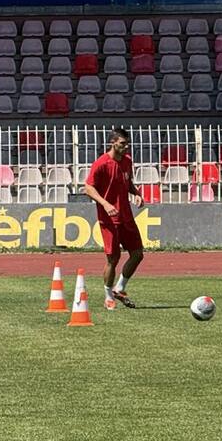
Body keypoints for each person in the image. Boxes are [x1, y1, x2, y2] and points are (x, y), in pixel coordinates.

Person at [81, 128, 144, 310]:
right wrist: (106, 204)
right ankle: (108, 296)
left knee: (138, 253)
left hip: (126, 216)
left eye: (127, 144)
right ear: (113, 143)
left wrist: (136, 193)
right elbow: (88, 188)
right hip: (109, 219)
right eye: (123, 144)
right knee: (113, 258)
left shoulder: (126, 162)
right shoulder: (101, 163)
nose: (126, 147)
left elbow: (126, 181)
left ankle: (120, 288)